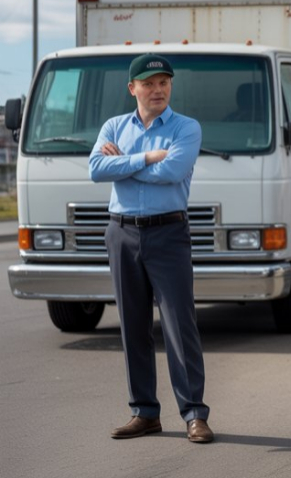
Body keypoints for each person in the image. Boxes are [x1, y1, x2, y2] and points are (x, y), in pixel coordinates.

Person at [88, 54, 213, 443]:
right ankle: (144, 413)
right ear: (133, 89)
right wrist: (145, 157)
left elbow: (172, 171)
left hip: (168, 233)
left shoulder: (186, 128)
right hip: (121, 233)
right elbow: (95, 169)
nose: (158, 89)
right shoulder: (113, 126)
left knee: (179, 325)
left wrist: (123, 163)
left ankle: (194, 414)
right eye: (149, 83)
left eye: (164, 82)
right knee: (133, 326)